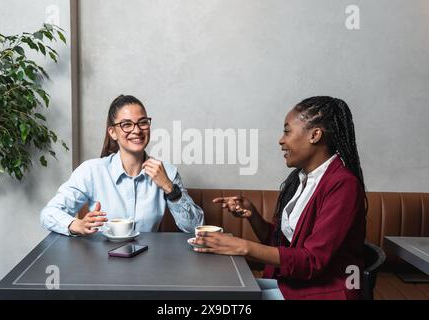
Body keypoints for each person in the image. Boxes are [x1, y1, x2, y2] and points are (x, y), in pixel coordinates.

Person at [192, 96, 366, 300]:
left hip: (325, 293)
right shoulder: (303, 179)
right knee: (213, 292)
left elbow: (312, 261)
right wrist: (253, 215)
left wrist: (242, 246)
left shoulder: (343, 184)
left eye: (287, 131)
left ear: (315, 135)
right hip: (295, 285)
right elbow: (283, 246)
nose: (281, 140)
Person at [41, 95, 204, 236]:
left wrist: (170, 188)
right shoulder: (91, 171)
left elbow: (196, 228)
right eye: (127, 124)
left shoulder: (167, 171)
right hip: (102, 262)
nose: (137, 130)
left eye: (143, 122)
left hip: (148, 262)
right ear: (112, 132)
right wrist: (76, 225)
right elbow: (48, 214)